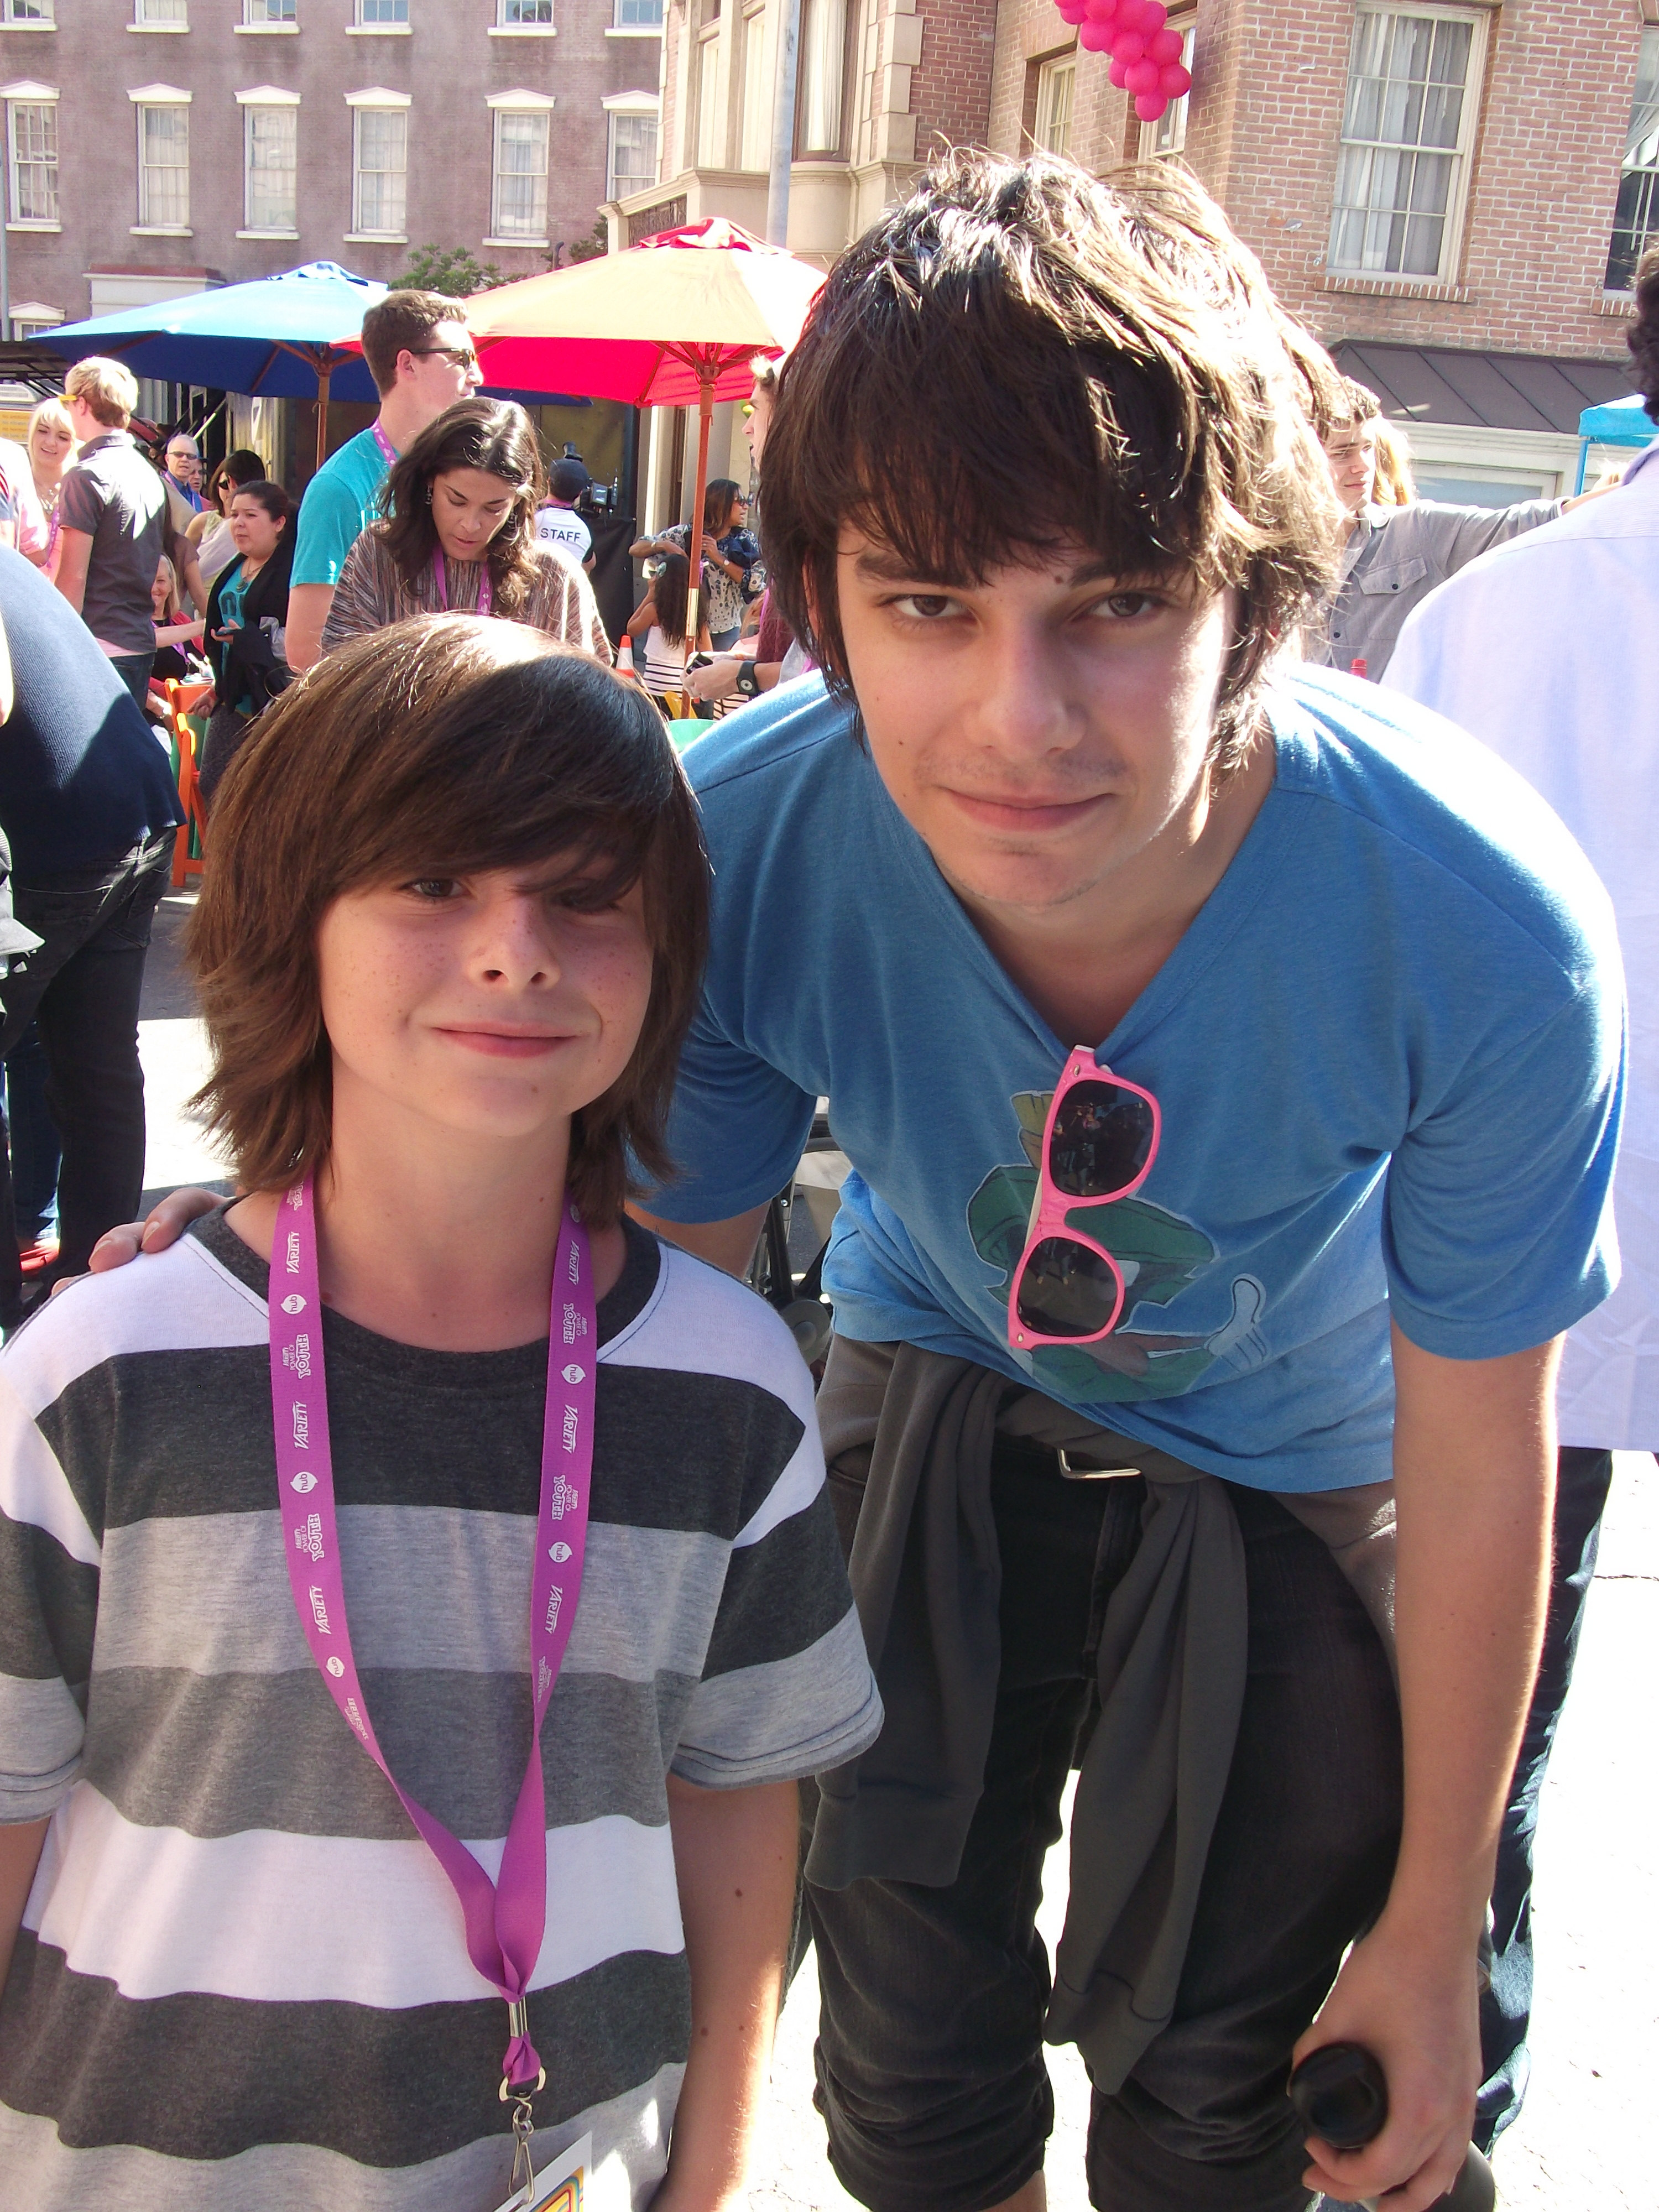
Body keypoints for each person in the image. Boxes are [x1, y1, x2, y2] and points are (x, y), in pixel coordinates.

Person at [66, 150, 1629, 2212]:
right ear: (815, 601)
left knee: (1244, 2112)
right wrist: (262, 1249)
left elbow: (1488, 1445)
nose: (1016, 716)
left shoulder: (1477, 918)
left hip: (1316, 1456)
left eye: (1114, 606)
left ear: (1256, 591)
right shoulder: (742, 848)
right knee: (901, 2066)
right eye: (923, 603)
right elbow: (629, 1321)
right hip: (932, 1373)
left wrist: (1432, 1926)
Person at [0, 613, 883, 2210]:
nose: (516, 949)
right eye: (433, 883)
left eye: (586, 896)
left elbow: (742, 1808)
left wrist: (716, 2171)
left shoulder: (733, 1389)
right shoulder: (97, 1376)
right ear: (292, 925)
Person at [1382, 237, 1659, 2156]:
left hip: (1516, 1288)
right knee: (1485, 1727)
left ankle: (1439, 2126)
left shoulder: (1514, 612)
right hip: (1520, 1292)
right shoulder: (1509, 607)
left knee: (1478, 1750)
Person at [0, 547, 181, 1332]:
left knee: (95, 1068)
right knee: (99, 1068)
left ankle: (42, 1325)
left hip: (56, 827)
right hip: (127, 799)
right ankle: (102, 1306)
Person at [1310, 378, 1570, 677]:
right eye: (1343, 453)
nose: (1364, 466)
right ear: (1299, 459)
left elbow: (1530, 522)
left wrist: (1629, 490)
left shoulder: (1416, 531)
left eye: (1368, 449)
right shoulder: (1265, 557)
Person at [320, 400, 609, 666]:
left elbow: (585, 701)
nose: (470, 525)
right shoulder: (379, 554)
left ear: (519, 500)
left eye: (494, 508)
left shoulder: (555, 577)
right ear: (429, 481)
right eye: (456, 501)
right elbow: (342, 679)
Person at [285, 289, 483, 672]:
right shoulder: (340, 489)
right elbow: (307, 651)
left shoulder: (470, 473)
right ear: (407, 365)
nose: (477, 375)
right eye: (462, 359)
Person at [52, 358, 170, 708]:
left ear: (83, 404)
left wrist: (56, 645)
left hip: (96, 644)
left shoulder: (87, 474)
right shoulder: (149, 474)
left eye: (67, 402)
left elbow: (73, 578)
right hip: (137, 639)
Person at [198, 481, 295, 806]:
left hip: (272, 698)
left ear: (279, 522)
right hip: (233, 693)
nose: (238, 523)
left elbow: (301, 640)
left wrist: (250, 639)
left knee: (259, 796)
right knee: (214, 784)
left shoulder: (291, 573)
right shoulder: (236, 566)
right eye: (234, 514)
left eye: (251, 515)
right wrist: (216, 688)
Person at [631, 479, 763, 650]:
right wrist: (663, 545)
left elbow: (756, 583)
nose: (746, 507)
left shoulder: (745, 540)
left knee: (721, 674)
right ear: (720, 504)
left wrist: (718, 558)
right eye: (740, 501)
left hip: (725, 630)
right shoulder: (686, 534)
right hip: (687, 627)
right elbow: (636, 549)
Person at [623, 550, 709, 708]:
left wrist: (649, 595)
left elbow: (631, 629)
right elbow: (708, 652)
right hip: (683, 689)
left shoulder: (655, 610)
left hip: (653, 689)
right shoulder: (695, 615)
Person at [187, 447, 268, 588]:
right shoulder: (202, 521)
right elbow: (181, 564)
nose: (231, 491)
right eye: (224, 485)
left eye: (238, 485)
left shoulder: (265, 525)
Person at [24, 399, 76, 572]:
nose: (50, 442)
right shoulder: (13, 484)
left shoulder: (79, 493)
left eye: (62, 437)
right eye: (43, 431)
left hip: (64, 598)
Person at [535, 454, 596, 569]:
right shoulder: (584, 527)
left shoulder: (529, 517)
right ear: (580, 493)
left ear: (548, 481)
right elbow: (589, 566)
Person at [163, 429, 204, 514]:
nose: (184, 459)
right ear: (167, 459)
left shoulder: (195, 498)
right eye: (178, 454)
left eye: (190, 456)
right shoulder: (159, 490)